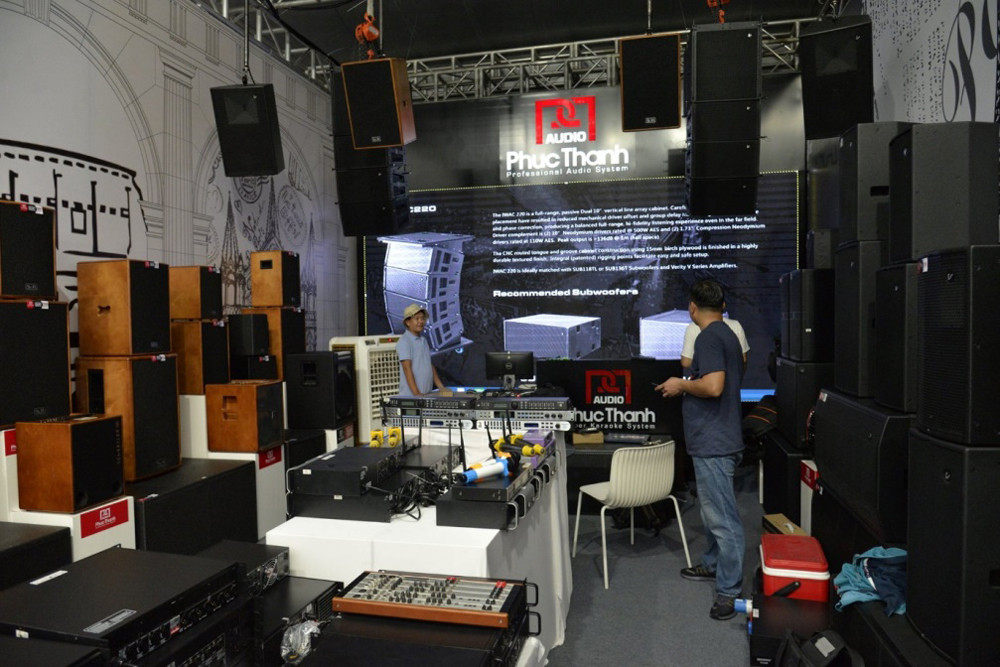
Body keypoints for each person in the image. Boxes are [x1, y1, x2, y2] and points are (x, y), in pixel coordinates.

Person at [654, 280, 746, 621]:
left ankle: (729, 590)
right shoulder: (728, 334)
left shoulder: (707, 338)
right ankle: (712, 564)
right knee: (712, 514)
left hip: (714, 441)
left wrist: (680, 384)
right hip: (718, 437)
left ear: (692, 307)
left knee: (723, 519)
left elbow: (714, 386)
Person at [396, 303, 450, 397]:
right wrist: (417, 394)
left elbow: (429, 365)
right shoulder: (405, 341)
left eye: (422, 318)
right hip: (412, 397)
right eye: (417, 319)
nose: (421, 321)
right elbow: (406, 368)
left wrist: (441, 387)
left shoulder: (423, 340)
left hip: (425, 395)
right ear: (408, 322)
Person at [680, 317, 749, 371]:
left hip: (703, 380)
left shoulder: (693, 327)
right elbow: (743, 361)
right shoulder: (735, 325)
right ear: (723, 305)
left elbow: (686, 362)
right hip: (732, 381)